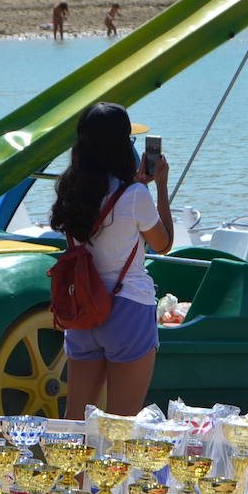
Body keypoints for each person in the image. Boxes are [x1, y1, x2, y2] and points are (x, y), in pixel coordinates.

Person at [50, 102, 173, 418]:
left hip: (83, 307)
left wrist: (138, 188)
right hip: (127, 307)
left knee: (75, 418)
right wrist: (160, 187)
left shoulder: (69, 190)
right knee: (121, 422)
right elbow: (164, 245)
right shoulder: (135, 195)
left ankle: (70, 468)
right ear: (123, 144)